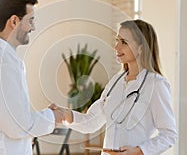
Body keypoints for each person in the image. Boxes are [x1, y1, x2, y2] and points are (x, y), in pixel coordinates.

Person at [51, 19, 178, 155]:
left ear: (141, 47)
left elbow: (169, 135)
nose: (116, 47)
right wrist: (66, 115)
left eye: (124, 42)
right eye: (117, 40)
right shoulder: (115, 82)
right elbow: (92, 121)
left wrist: (139, 151)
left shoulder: (156, 84)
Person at [0, 0, 63, 155]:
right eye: (30, 20)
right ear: (14, 21)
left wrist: (45, 116)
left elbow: (9, 115)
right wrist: (54, 117)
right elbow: (17, 126)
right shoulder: (2, 63)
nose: (33, 27)